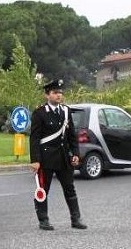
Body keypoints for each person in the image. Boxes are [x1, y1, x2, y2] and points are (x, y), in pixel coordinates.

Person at [29, 79, 87, 231]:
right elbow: (34, 138)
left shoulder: (66, 111)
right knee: (43, 189)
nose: (59, 95)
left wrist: (75, 153)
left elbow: (72, 136)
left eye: (60, 93)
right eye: (55, 93)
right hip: (46, 158)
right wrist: (35, 160)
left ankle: (76, 219)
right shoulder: (39, 113)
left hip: (63, 157)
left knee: (70, 188)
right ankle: (43, 220)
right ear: (47, 95)